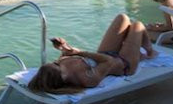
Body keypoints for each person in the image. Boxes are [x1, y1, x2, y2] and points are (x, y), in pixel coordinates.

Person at [28, 14, 157, 94]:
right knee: (137, 26)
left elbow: (71, 57)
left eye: (55, 62)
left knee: (122, 18)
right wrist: (81, 52)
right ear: (63, 77)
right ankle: (149, 50)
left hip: (106, 53)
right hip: (124, 64)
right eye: (57, 65)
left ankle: (138, 49)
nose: (59, 61)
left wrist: (64, 48)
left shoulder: (61, 66)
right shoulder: (88, 79)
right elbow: (109, 62)